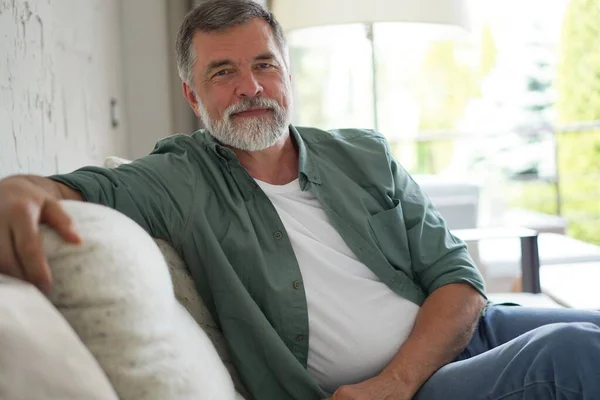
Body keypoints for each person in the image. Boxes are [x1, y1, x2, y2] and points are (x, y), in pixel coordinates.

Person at [1, 1, 599, 399]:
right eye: (223, 72)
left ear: (287, 71)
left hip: (462, 340)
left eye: (264, 64)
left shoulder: (363, 154)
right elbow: (83, 186)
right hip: (407, 392)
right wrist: (16, 188)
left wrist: (398, 376)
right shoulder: (178, 178)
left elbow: (459, 279)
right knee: (568, 354)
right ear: (191, 93)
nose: (251, 86)